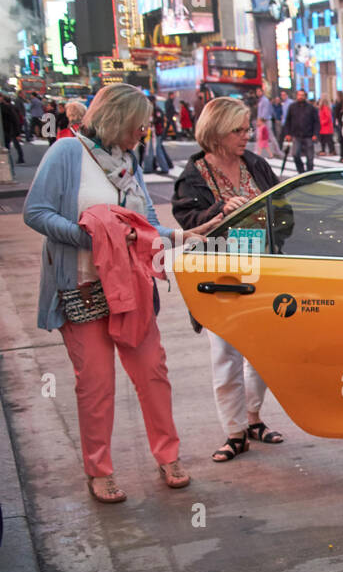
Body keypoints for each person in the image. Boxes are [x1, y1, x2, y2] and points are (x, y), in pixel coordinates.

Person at [23, 83, 217, 503]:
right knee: (96, 384)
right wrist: (93, 237)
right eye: (138, 125)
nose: (143, 133)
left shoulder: (128, 161)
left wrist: (178, 235)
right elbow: (35, 212)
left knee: (153, 374)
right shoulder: (67, 153)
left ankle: (168, 456)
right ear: (116, 120)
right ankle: (99, 470)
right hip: (82, 289)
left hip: (132, 288)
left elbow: (143, 223)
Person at [171, 97, 285, 464]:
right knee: (225, 354)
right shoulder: (194, 175)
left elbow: (285, 208)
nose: (246, 135)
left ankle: (253, 419)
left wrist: (271, 218)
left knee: (264, 353)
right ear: (217, 131)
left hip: (261, 270)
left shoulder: (256, 165)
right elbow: (187, 223)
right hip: (219, 276)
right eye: (238, 130)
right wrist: (220, 209)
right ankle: (234, 431)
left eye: (247, 128)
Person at [283, 89, 320, 173]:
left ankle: (309, 173)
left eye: (302, 95)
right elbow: (288, 121)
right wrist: (287, 133)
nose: (300, 97)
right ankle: (301, 171)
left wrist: (315, 134)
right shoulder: (292, 107)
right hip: (296, 135)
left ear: (305, 96)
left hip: (308, 135)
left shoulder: (311, 108)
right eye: (299, 95)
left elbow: (316, 122)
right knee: (295, 154)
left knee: (310, 158)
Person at [1, 94, 23, 166]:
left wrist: (17, 133)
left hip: (7, 132)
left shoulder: (7, 108)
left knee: (7, 151)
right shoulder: (9, 107)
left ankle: (11, 167)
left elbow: (15, 120)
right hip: (9, 131)